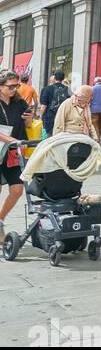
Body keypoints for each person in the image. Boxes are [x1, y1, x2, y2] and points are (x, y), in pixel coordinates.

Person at [0, 71, 30, 242]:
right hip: (5, 147)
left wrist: (29, 117)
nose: (14, 89)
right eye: (10, 86)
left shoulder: (19, 102)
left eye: (16, 86)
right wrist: (14, 140)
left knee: (17, 190)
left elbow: (26, 124)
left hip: (13, 152)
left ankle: (0, 219)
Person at [39, 71, 71, 138]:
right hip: (62, 116)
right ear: (63, 78)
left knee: (49, 135)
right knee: (60, 135)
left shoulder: (47, 89)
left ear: (55, 78)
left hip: (49, 115)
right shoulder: (68, 90)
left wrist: (40, 116)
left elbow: (43, 105)